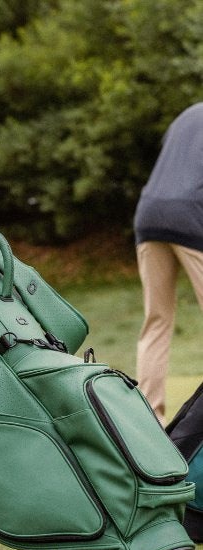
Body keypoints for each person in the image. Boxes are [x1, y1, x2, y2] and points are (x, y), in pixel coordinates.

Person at [134, 102, 203, 426]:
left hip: (149, 215)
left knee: (157, 320)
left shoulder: (186, 114)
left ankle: (150, 422)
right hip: (192, 216)